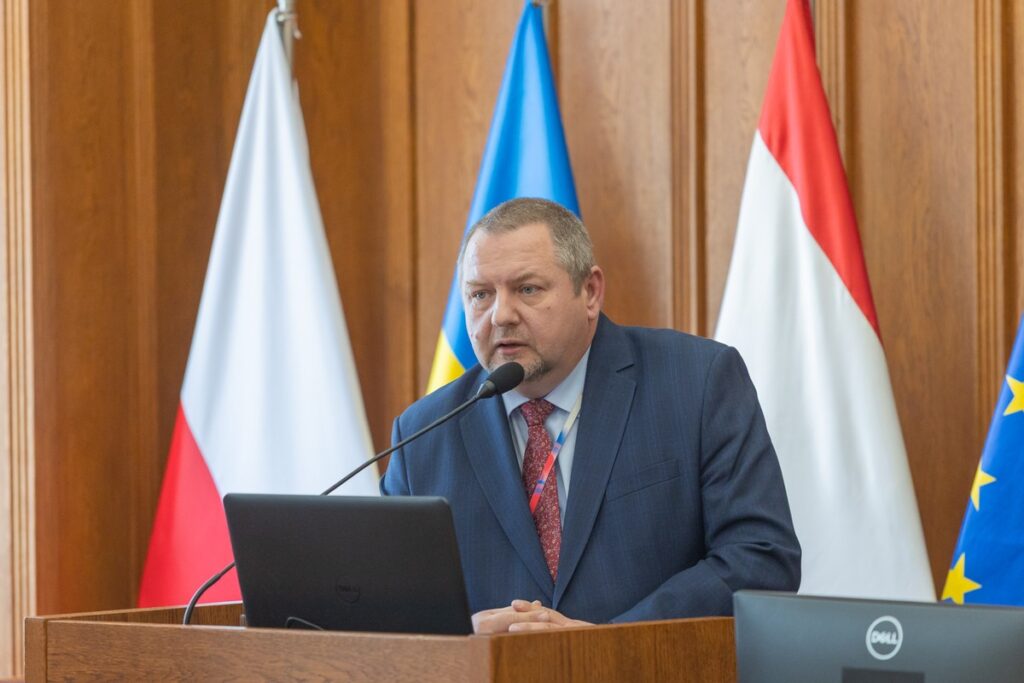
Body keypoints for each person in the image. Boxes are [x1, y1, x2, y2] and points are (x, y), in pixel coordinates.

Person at [381, 197, 800, 633]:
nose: (500, 315)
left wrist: (608, 644)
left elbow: (761, 558)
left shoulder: (696, 383)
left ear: (591, 292)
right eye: (480, 295)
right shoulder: (423, 435)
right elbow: (389, 606)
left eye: (527, 289)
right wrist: (462, 637)